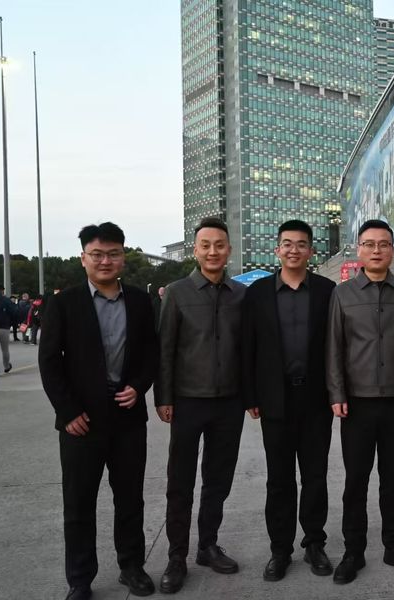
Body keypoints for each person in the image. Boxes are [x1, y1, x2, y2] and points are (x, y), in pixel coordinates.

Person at [38, 222, 159, 600]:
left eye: (113, 254)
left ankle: (132, 566)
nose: (105, 261)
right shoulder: (65, 302)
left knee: (130, 499)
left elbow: (151, 353)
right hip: (81, 422)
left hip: (127, 418)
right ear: (83, 258)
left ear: (123, 256)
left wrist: (139, 386)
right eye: (97, 254)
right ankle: (80, 579)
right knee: (78, 504)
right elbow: (49, 361)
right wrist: (68, 411)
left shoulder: (140, 301)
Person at [326, 219, 394, 584]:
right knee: (356, 481)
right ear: (359, 249)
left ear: (392, 250)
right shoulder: (343, 293)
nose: (376, 250)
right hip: (357, 404)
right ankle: (353, 551)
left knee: (393, 480)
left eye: (383, 244)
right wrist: (337, 393)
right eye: (369, 244)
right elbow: (334, 348)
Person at [156, 217, 247, 594]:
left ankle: (207, 545)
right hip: (187, 402)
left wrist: (249, 397)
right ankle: (176, 556)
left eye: (219, 245)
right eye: (205, 245)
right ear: (195, 250)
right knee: (180, 482)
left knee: (218, 480)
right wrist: (164, 397)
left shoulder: (240, 294)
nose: (213, 252)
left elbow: (247, 349)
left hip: (229, 403)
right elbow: (165, 348)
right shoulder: (178, 293)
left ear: (229, 250)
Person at [243, 219, 337, 582]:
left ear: (311, 251)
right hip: (275, 400)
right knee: (279, 479)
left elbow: (336, 344)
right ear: (277, 249)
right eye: (287, 243)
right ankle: (279, 549)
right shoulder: (258, 293)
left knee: (315, 476)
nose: (293, 250)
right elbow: (248, 347)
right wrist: (251, 394)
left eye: (301, 244)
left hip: (316, 399)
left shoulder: (327, 290)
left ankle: (314, 543)